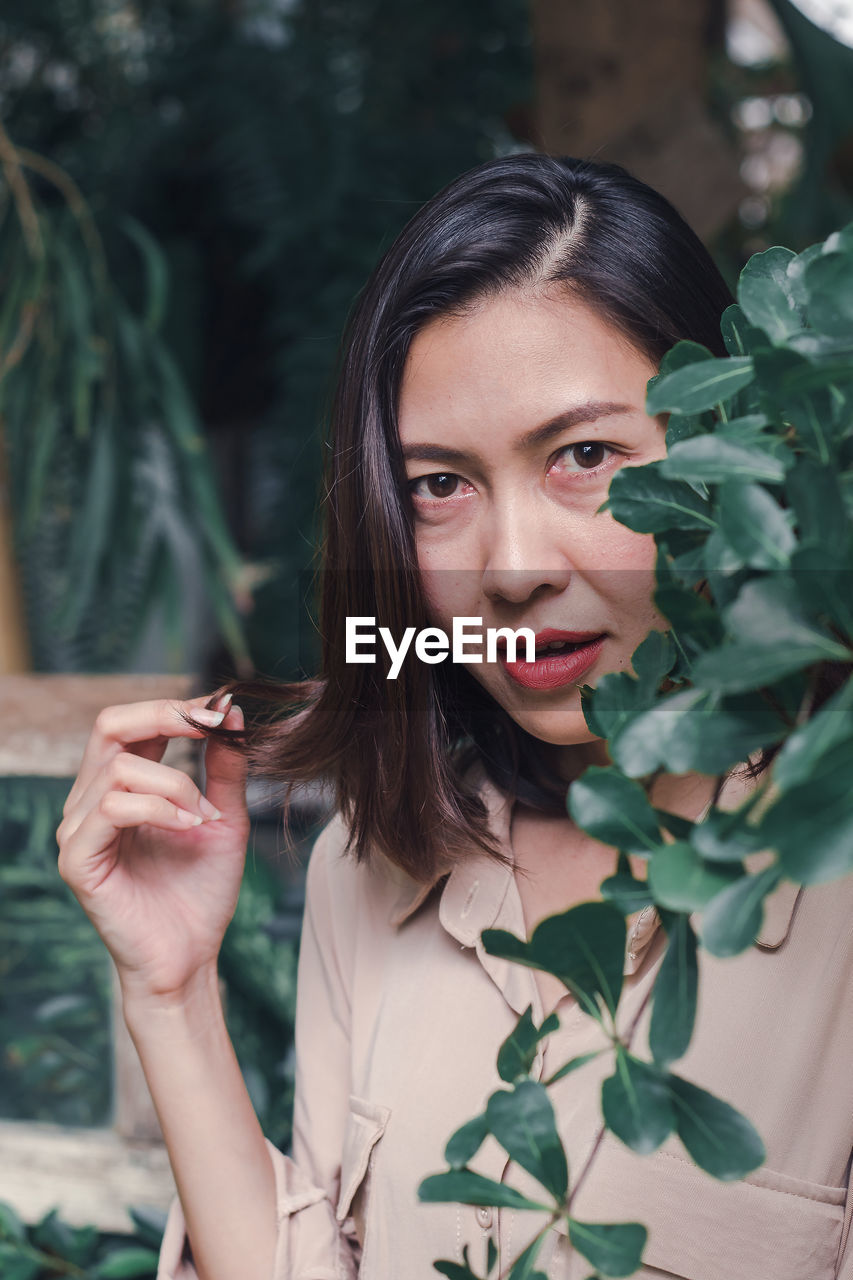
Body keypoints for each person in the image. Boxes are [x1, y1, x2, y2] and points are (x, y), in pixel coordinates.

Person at [56, 154, 853, 1280]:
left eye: (584, 456)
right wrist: (171, 992)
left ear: (724, 446)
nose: (514, 568)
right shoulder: (370, 856)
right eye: (439, 485)